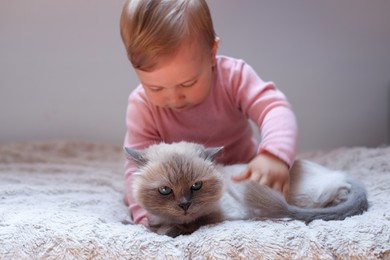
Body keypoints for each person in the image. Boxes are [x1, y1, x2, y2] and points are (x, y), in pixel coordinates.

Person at [120, 0, 298, 227]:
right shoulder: (141, 104)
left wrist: (274, 155)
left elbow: (274, 108)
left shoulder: (233, 76)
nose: (174, 98)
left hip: (242, 173)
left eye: (188, 83)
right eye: (156, 88)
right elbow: (138, 167)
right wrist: (143, 214)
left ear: (212, 53)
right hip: (187, 193)